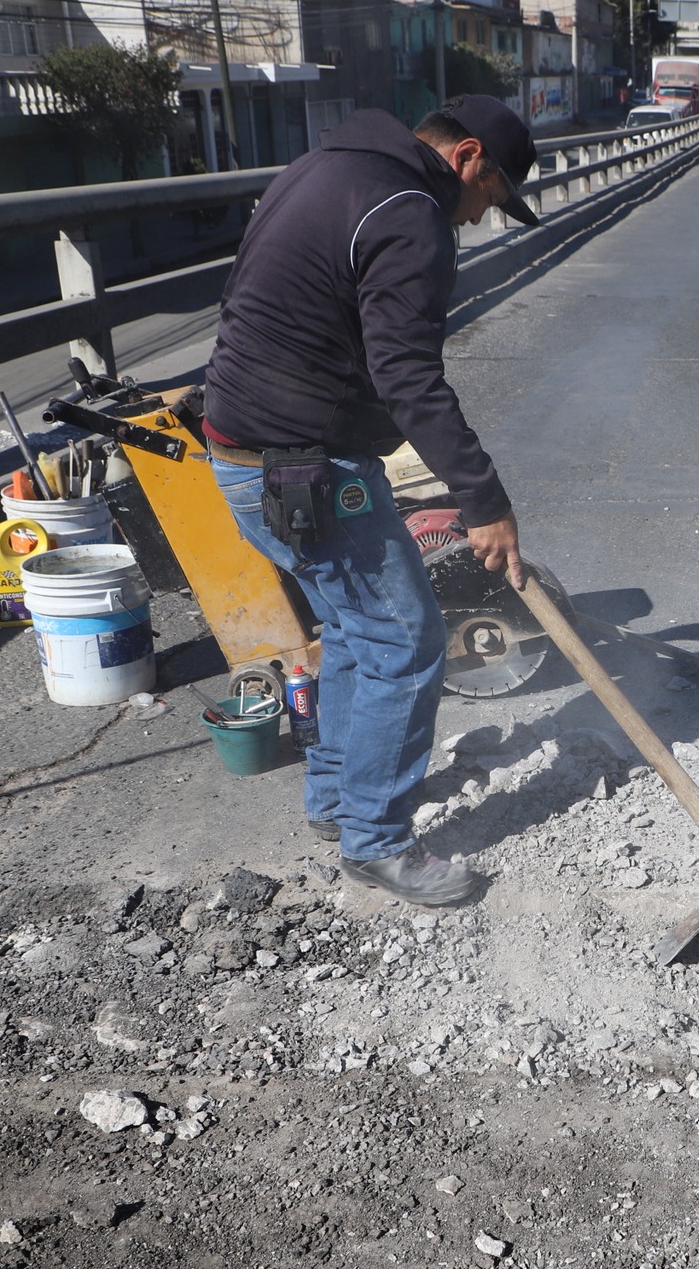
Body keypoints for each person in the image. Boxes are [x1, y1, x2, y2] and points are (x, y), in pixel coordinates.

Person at [199, 96, 539, 908]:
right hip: (300, 467)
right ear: (466, 159)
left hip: (250, 452)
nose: (475, 218)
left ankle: (335, 801)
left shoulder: (321, 168)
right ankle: (377, 843)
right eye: (487, 199)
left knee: (355, 626)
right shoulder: (410, 213)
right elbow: (409, 375)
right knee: (407, 638)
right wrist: (483, 497)